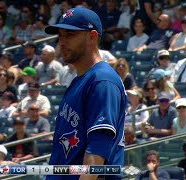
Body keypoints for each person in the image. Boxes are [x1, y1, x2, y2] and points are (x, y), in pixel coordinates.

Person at [45, 7, 127, 179]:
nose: (62, 42)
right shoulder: (79, 81)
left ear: (92, 37)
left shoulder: (102, 81)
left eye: (70, 35)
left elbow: (97, 154)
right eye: (60, 35)